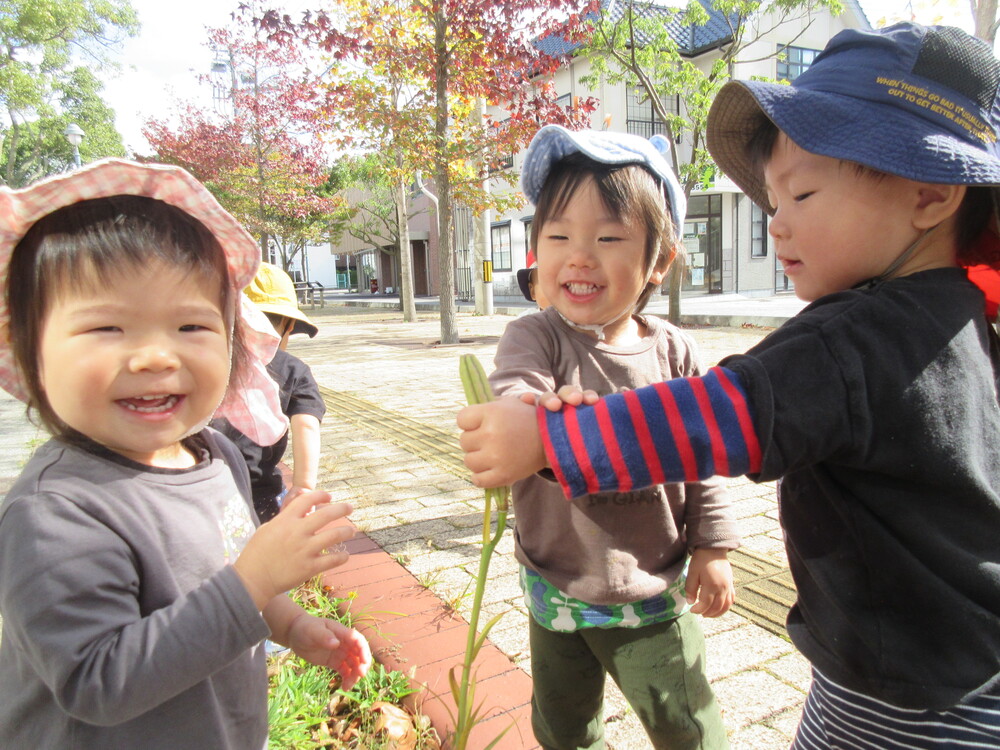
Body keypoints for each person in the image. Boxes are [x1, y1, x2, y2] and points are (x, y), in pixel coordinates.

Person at [458, 23, 1000, 748]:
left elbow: (717, 418)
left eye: (801, 194)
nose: (776, 225)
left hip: (898, 694)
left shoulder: (856, 334)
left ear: (930, 195)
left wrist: (554, 437)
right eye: (772, 203)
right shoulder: (962, 316)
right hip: (949, 665)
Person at [0, 159, 372, 749]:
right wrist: (252, 583)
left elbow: (232, 570)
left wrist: (293, 624)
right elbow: (98, 684)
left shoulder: (216, 454)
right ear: (28, 349)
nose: (154, 357)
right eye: (106, 329)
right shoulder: (56, 513)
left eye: (190, 327)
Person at [491, 124, 737, 750]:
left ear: (659, 259)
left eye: (608, 237)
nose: (580, 255)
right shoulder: (535, 338)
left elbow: (706, 455)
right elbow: (514, 397)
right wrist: (535, 419)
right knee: (563, 724)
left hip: (648, 588)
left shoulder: (676, 351)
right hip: (553, 584)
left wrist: (713, 546)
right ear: (536, 251)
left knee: (684, 723)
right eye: (558, 236)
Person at [215, 262, 326, 522]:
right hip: (260, 491)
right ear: (288, 325)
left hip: (203, 485)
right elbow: (307, 426)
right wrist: (303, 486)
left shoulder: (210, 362)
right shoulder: (293, 369)